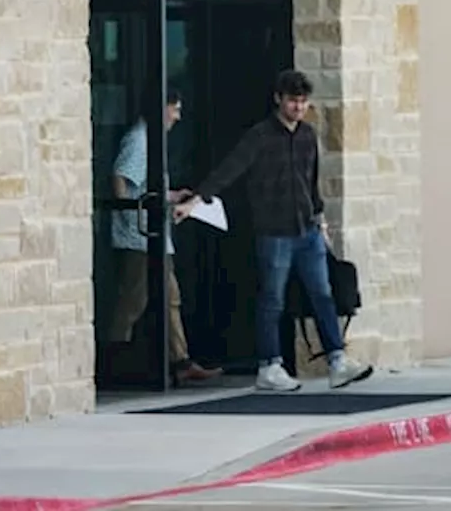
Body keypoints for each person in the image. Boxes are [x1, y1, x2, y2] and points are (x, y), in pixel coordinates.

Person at [172, 69, 373, 393]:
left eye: (303, 102)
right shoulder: (260, 137)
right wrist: (196, 199)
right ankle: (270, 366)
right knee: (273, 300)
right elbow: (230, 169)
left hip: (307, 230)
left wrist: (320, 220)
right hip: (274, 232)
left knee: (323, 295)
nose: (298, 107)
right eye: (293, 101)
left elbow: (312, 183)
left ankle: (337, 361)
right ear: (278, 99)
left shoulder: (308, 136)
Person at [108, 86, 222, 386]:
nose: (178, 116)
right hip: (141, 238)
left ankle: (180, 361)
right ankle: (112, 360)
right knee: (133, 300)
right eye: (175, 108)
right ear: (161, 109)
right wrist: (131, 216)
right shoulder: (140, 139)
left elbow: (143, 185)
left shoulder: (150, 141)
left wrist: (172, 196)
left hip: (152, 236)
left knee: (170, 298)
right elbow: (121, 178)